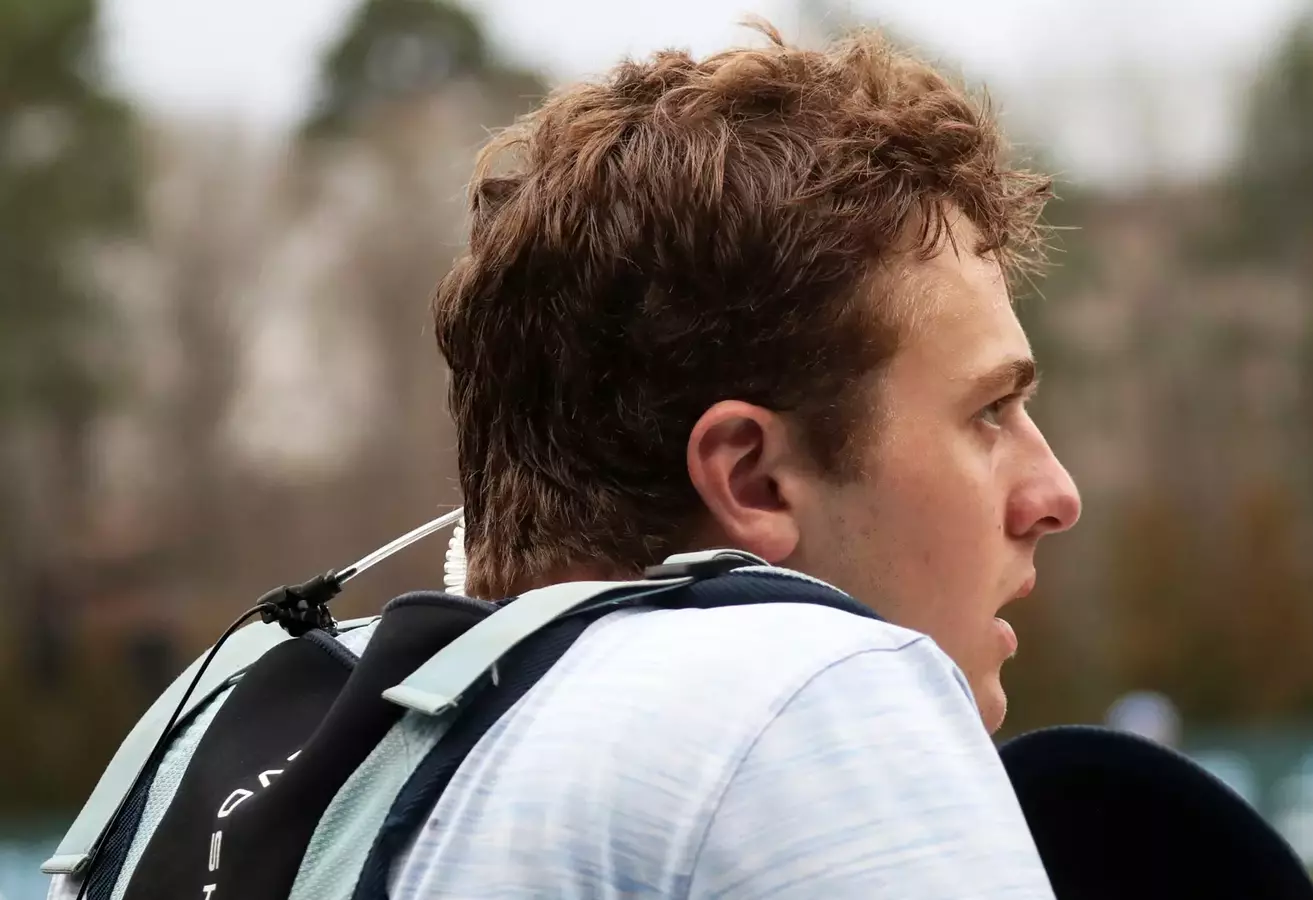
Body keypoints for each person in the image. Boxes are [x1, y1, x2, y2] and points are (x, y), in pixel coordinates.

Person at [402, 19, 1081, 897]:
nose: (1053, 495)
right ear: (751, 478)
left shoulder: (308, 739)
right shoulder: (811, 704)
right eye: (988, 412)